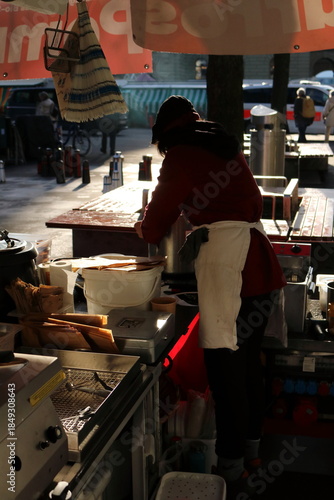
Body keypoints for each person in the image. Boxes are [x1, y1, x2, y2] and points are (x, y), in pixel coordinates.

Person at [134, 95, 287, 498]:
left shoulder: (181, 154)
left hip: (230, 270)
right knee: (248, 368)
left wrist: (142, 225)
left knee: (225, 372)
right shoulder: (219, 143)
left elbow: (153, 228)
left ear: (164, 134)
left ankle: (230, 470)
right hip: (257, 263)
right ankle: (251, 453)